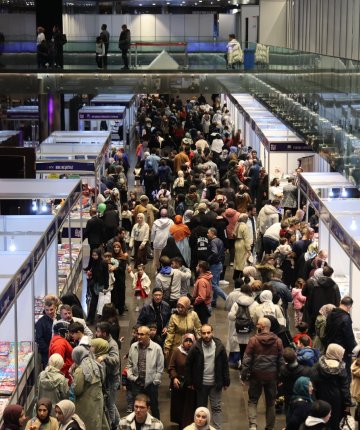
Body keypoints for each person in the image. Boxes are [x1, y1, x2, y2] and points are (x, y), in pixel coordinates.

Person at [241, 317, 284, 430]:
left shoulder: (253, 340)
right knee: (271, 404)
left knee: (253, 401)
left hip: (256, 376)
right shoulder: (278, 341)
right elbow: (281, 361)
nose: (256, 326)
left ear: (263, 327)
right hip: (272, 376)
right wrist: (280, 377)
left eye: (258, 324)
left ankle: (253, 425)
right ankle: (270, 428)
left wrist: (244, 375)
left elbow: (246, 360)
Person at [185, 324, 230, 430]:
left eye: (208, 332)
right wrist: (190, 381)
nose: (206, 335)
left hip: (216, 383)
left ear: (212, 332)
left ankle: (217, 428)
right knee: (201, 410)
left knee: (216, 408)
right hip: (201, 385)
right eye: (204, 333)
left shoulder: (219, 345)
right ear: (201, 334)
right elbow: (188, 365)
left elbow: (225, 364)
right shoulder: (195, 347)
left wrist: (226, 381)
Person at [127, 326, 164, 419]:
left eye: (141, 334)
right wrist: (131, 377)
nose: (138, 336)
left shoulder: (157, 348)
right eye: (138, 334)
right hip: (137, 383)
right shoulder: (133, 346)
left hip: (151, 385)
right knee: (136, 409)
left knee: (154, 408)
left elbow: (160, 368)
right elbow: (129, 365)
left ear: (148, 335)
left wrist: (155, 381)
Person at [313, 343, 352, 430]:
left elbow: (313, 382)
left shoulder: (318, 365)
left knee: (321, 419)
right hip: (336, 399)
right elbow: (345, 388)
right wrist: (347, 404)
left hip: (321, 396)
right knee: (335, 421)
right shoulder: (341, 367)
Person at [71, 346, 107, 430]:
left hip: (87, 404)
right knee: (97, 422)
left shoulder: (80, 370)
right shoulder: (95, 363)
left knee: (87, 425)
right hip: (98, 399)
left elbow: (77, 390)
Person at [95, 322, 121, 430]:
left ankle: (111, 426)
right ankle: (118, 423)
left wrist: (104, 357)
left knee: (110, 404)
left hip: (112, 379)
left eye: (98, 331)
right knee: (111, 403)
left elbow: (115, 359)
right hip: (107, 379)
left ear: (104, 333)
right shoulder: (103, 342)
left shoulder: (112, 344)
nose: (96, 334)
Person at [168, 333, 197, 429]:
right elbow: (171, 367)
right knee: (180, 406)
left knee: (189, 407)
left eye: (190, 341)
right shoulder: (177, 351)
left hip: (191, 384)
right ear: (183, 341)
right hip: (179, 383)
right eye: (186, 341)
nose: (188, 343)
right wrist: (174, 378)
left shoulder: (196, 352)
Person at [324, 296, 356, 376]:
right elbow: (349, 338)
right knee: (343, 374)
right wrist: (353, 350)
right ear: (349, 306)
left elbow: (326, 331)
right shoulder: (346, 318)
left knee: (331, 371)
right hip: (342, 352)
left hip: (330, 349)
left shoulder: (330, 314)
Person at [164, 296, 201, 362]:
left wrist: (200, 342)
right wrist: (167, 347)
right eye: (178, 307)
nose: (180, 309)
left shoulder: (193, 315)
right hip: (177, 343)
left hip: (190, 343)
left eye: (182, 307)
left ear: (187, 306)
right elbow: (170, 333)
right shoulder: (174, 317)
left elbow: (198, 328)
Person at [279, 348, 315, 416]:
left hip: (288, 396)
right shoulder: (307, 370)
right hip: (303, 398)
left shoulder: (282, 370)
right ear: (296, 355)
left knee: (289, 415)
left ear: (285, 360)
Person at [228, 282, 258, 363]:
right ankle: (247, 365)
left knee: (241, 348)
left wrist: (238, 319)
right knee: (249, 349)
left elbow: (231, 316)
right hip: (250, 331)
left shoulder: (236, 303)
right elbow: (256, 317)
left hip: (239, 330)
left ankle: (241, 362)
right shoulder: (255, 303)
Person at [86, 248, 109, 324]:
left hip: (100, 285)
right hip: (94, 284)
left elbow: (106, 275)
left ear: (99, 255)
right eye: (93, 255)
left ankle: (96, 319)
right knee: (94, 302)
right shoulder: (94, 262)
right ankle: (91, 319)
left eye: (95, 255)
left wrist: (106, 286)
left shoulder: (103, 263)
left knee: (99, 302)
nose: (93, 256)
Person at [207, 227, 227, 308]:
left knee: (213, 285)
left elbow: (214, 252)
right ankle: (214, 301)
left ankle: (227, 298)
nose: (207, 234)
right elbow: (222, 253)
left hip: (214, 265)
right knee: (217, 284)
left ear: (212, 233)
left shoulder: (213, 242)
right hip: (219, 264)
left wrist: (208, 259)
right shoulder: (220, 240)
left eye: (208, 232)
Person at [35, 297, 58, 368]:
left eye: (51, 309)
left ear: (55, 308)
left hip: (59, 349)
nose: (49, 312)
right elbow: (39, 338)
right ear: (44, 310)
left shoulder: (59, 318)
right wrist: (48, 350)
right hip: (47, 353)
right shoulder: (40, 322)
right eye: (47, 310)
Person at [233, 214, 252, 281]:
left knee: (237, 260)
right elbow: (246, 238)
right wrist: (249, 249)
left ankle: (235, 275)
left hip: (237, 242)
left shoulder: (237, 225)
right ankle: (240, 276)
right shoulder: (245, 226)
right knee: (242, 261)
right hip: (242, 244)